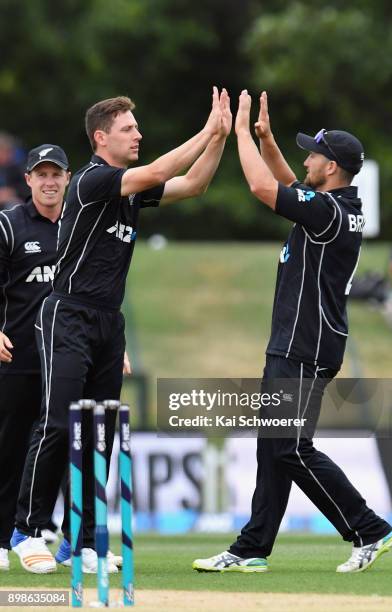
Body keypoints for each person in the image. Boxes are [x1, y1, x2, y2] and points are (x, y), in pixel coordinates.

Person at [12, 88, 232, 573]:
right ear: (101, 137)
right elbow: (157, 172)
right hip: (66, 313)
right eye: (129, 129)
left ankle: (83, 541)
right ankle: (25, 531)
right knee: (56, 423)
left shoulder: (129, 189)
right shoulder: (93, 180)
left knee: (99, 434)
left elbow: (192, 184)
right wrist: (205, 130)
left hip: (109, 322)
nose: (139, 134)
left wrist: (220, 137)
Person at [193, 90, 392, 574]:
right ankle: (251, 549)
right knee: (273, 446)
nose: (306, 159)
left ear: (331, 167)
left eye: (314, 154)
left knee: (288, 447)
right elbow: (287, 182)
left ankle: (369, 528)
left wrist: (241, 133)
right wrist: (267, 140)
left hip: (303, 347)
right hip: (300, 344)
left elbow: (267, 191)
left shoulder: (326, 211)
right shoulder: (333, 205)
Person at [0, 145, 70, 572]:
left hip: (65, 357)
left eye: (55, 174)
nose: (48, 181)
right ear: (28, 180)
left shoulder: (79, 225)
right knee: (10, 450)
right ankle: (3, 538)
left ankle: (65, 541)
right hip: (18, 356)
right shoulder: (9, 225)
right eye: (40, 174)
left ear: (67, 178)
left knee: (60, 448)